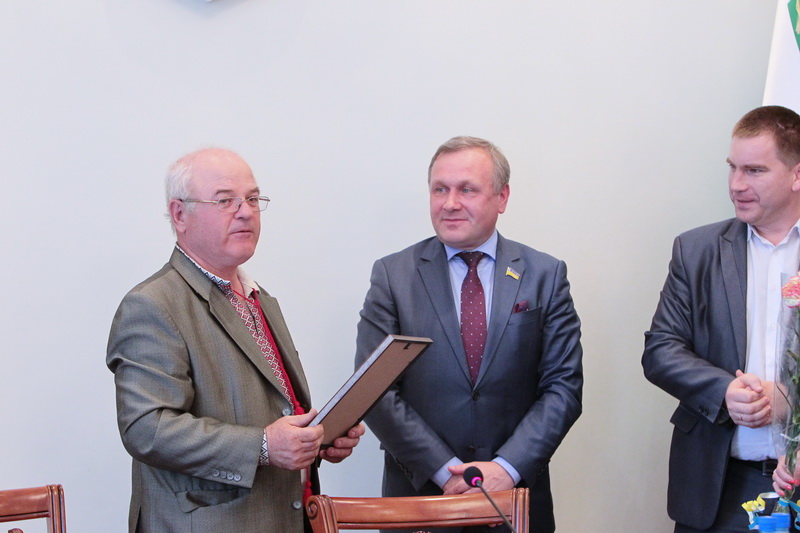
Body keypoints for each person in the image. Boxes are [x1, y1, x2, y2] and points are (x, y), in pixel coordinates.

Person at [107, 148, 364, 533]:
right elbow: (148, 428)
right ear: (179, 214)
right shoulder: (153, 304)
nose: (245, 212)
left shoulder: (259, 297)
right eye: (225, 200)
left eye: (253, 199)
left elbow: (272, 413)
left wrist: (316, 440)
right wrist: (263, 446)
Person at [355, 136, 583, 533]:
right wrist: (446, 472)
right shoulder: (393, 276)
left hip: (516, 502)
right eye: (439, 189)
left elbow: (563, 387)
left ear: (502, 197)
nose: (450, 203)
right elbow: (374, 390)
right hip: (420, 501)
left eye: (467, 190)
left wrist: (506, 469)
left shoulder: (545, 276)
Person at [642, 105, 800, 532]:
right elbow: (661, 350)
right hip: (721, 488)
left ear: (796, 175)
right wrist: (725, 390)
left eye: (754, 170)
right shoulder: (696, 251)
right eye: (732, 167)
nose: (736, 185)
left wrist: (789, 401)